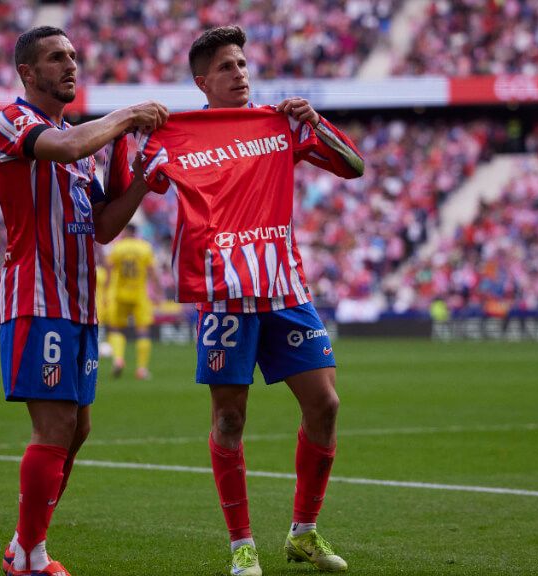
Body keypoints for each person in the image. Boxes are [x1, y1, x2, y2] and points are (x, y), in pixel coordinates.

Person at [136, 25, 364, 576]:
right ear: (201, 81)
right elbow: (142, 182)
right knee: (230, 418)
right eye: (226, 68)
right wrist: (136, 135)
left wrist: (314, 121)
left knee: (326, 405)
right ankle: (242, 544)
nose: (239, 74)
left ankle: (303, 533)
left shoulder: (280, 124)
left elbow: (353, 167)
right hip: (224, 294)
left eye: (242, 64)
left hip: (285, 287)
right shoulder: (176, 134)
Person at [0, 25, 168, 576]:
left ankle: (23, 548)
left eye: (72, 55)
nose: (70, 65)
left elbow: (106, 227)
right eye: (55, 58)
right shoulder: (13, 121)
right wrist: (127, 115)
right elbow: (64, 143)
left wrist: (142, 178)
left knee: (78, 429)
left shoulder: (83, 149)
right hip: (36, 297)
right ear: (28, 72)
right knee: (55, 429)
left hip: (82, 304)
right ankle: (31, 556)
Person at [104, 223, 159, 379]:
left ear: (125, 232)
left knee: (115, 328)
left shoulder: (117, 247)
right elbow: (152, 271)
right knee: (143, 331)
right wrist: (157, 291)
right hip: (139, 294)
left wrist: (106, 290)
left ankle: (118, 360)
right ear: (136, 233)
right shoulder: (144, 248)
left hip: (119, 293)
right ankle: (141, 369)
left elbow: (109, 269)